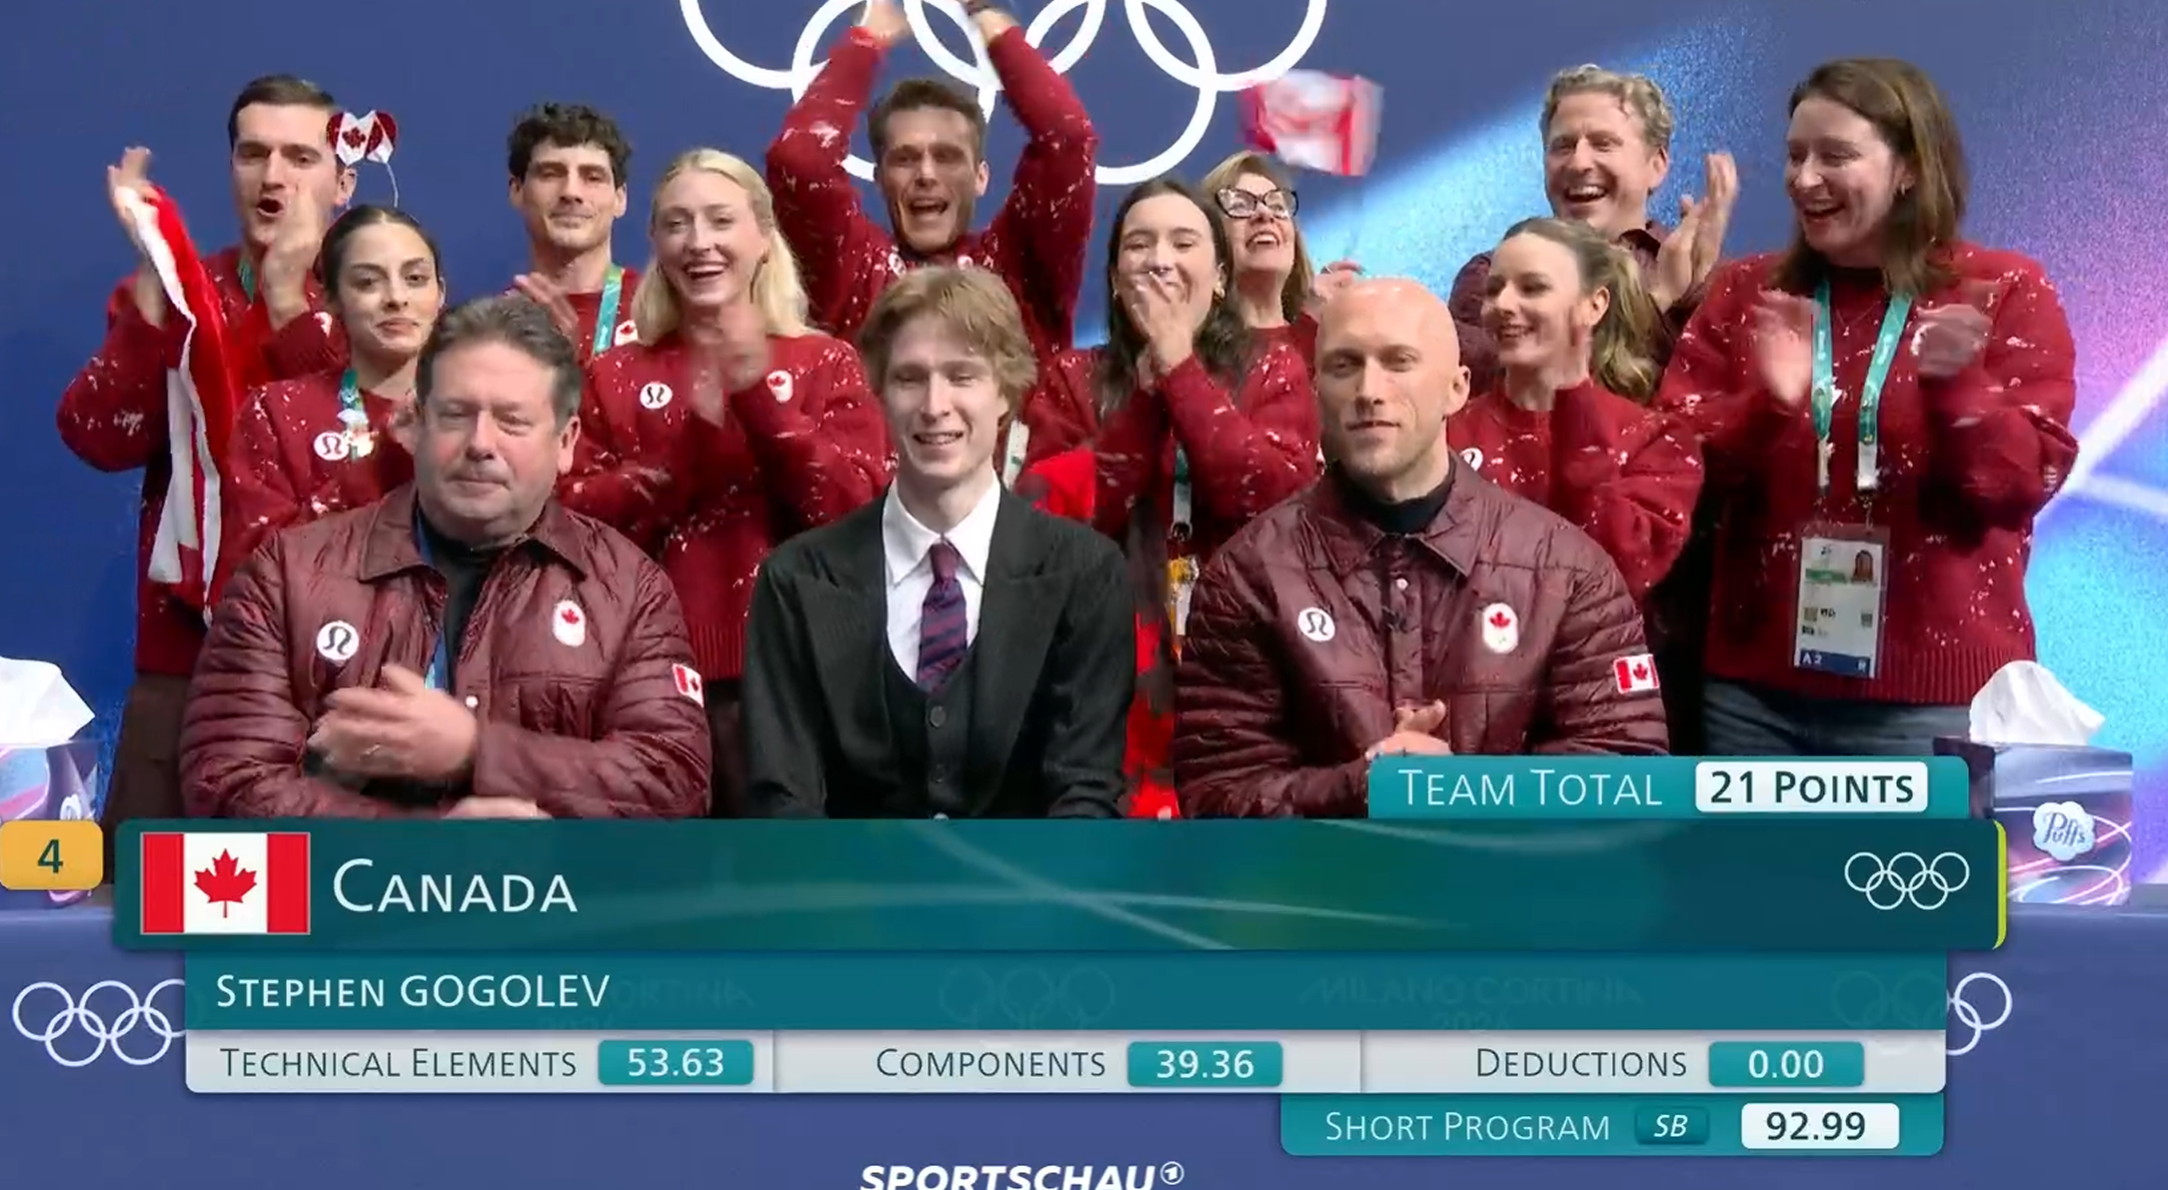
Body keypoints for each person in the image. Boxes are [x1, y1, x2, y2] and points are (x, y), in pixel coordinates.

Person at [1657, 57, 2077, 757]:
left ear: (1908, 167)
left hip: (1933, 704)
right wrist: (1765, 408)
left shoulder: (2001, 289)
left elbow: (2023, 484)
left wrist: (1960, 392)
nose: (1804, 179)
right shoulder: (1747, 292)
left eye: (1835, 156)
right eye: (1795, 155)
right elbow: (1668, 471)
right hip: (1754, 699)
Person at [182, 296, 712, 818]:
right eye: (457, 415)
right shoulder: (288, 574)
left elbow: (674, 783)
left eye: (512, 421)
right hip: (357, 879)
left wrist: (476, 751)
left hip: (552, 879)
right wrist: (430, 847)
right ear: (415, 424)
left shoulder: (629, 589)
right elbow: (226, 780)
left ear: (566, 441)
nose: (481, 444)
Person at [1173, 279, 1669, 817]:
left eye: (1399, 362)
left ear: (1457, 388)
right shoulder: (1249, 575)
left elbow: (1627, 775)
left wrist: (1456, 791)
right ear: (1316, 391)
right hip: (1323, 872)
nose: (1369, 389)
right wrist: (1361, 788)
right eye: (1344, 365)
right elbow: (1216, 793)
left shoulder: (1568, 570)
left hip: (1505, 871)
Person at [64, 74, 354, 868]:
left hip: (336, 665)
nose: (274, 176)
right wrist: (153, 310)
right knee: (142, 909)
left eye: (301, 157)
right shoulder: (181, 287)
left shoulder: (383, 295)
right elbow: (94, 436)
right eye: (253, 154)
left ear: (343, 182)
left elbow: (358, 450)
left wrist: (291, 307)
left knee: (332, 911)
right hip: (187, 662)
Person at [561, 148, 890, 815]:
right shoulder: (614, 374)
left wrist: (758, 401)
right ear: (655, 242)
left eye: (720, 220)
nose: (699, 242)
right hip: (647, 684)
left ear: (764, 238)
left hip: (806, 680)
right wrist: (687, 453)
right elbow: (576, 529)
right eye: (677, 224)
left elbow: (858, 514)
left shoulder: (826, 362)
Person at [742, 268, 1131, 817]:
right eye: (909, 378)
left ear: (1005, 392)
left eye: (961, 376)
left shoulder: (1085, 575)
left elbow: (1085, 795)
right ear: (880, 394)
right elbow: (783, 806)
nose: (934, 404)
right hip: (844, 877)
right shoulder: (796, 582)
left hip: (1031, 877)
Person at [765, 0, 1097, 363]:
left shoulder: (1023, 267)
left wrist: (988, 18)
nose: (926, 174)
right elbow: (799, 161)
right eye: (905, 159)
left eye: (947, 157)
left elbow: (1068, 139)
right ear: (880, 178)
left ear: (980, 177)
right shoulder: (849, 268)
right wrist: (865, 41)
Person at [1452, 217, 1702, 601]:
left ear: (1594, 305)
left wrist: (1574, 401)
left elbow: (1621, 572)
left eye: (1533, 288)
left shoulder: (1655, 439)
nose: (1502, 304)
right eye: (1494, 289)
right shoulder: (1448, 429)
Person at [1449, 65, 1736, 392]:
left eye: (1603, 143)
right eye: (1563, 146)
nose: (1578, 163)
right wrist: (1658, 299)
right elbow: (1526, 402)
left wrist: (1705, 292)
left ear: (1656, 166)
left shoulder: (1711, 280)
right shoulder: (1492, 281)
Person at [219, 206, 444, 595]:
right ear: (331, 299)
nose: (396, 298)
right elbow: (257, 576)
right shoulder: (278, 412)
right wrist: (379, 467)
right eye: (368, 282)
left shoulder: (477, 409)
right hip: (327, 627)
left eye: (415, 279)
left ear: (440, 293)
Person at [505, 103, 640, 361]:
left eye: (593, 177)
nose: (571, 192)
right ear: (516, 190)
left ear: (620, 198)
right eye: (550, 174)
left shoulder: (664, 314)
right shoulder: (491, 327)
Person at [1197, 149, 1361, 363]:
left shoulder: (1330, 341)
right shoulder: (1193, 358)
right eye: (1240, 206)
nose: (1265, 214)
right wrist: (1308, 326)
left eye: (1276, 206)